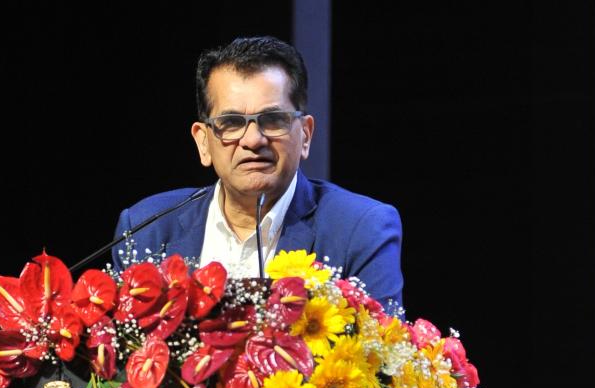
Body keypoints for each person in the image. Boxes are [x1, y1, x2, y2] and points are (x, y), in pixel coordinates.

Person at [112, 36, 403, 310]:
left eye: (273, 119)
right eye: (232, 122)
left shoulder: (360, 229)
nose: (253, 140)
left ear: (305, 135)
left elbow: (377, 359)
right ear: (203, 141)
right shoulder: (145, 229)